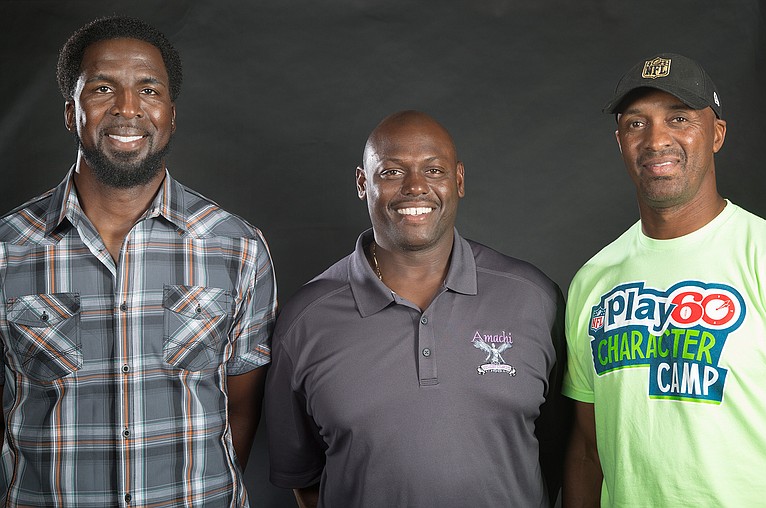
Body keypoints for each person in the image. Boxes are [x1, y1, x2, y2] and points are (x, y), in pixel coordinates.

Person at [0, 16, 276, 507]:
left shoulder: (237, 247)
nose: (128, 108)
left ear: (171, 113)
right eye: (103, 88)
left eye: (149, 89)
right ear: (71, 112)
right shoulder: (7, 251)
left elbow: (242, 409)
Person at [264, 110, 568, 508]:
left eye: (434, 170)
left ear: (458, 180)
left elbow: (558, 448)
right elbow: (303, 477)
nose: (415, 187)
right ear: (362, 183)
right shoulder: (305, 318)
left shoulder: (533, 297)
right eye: (391, 172)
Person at [562, 53, 766, 507]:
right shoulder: (593, 281)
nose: (657, 140)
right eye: (636, 123)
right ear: (620, 141)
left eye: (679, 118)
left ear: (717, 135)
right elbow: (589, 450)